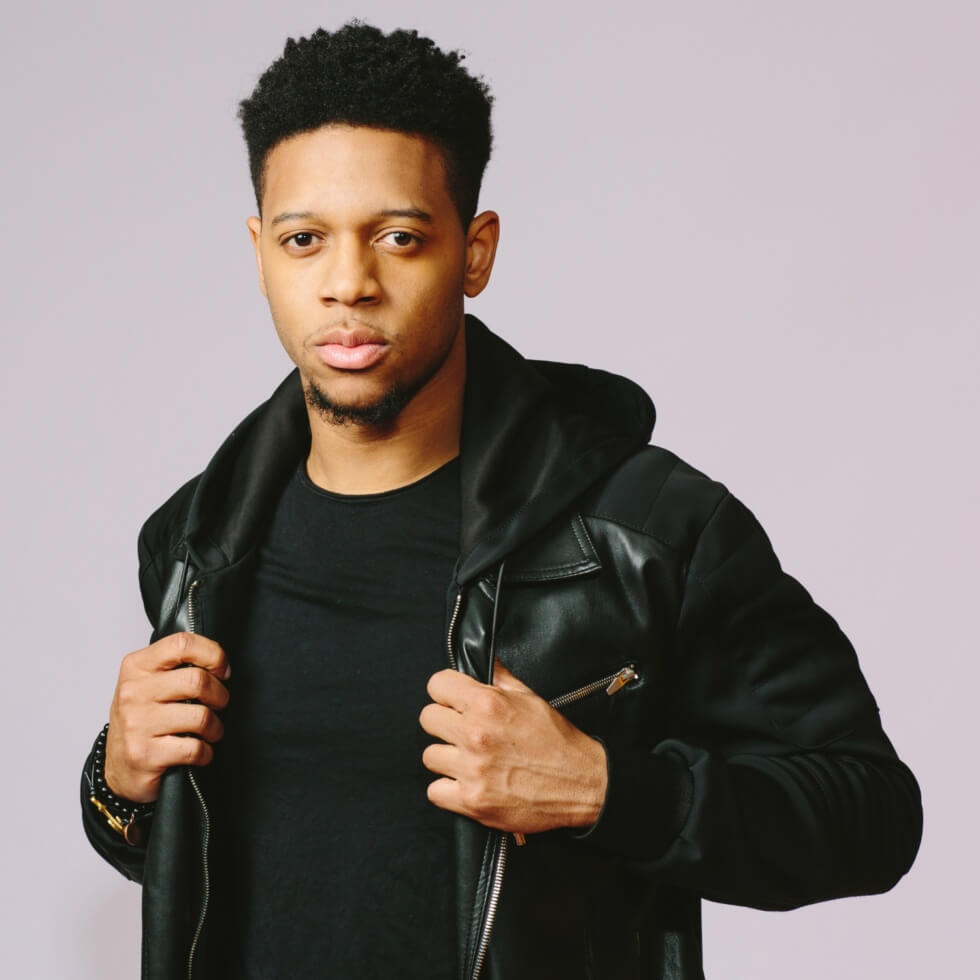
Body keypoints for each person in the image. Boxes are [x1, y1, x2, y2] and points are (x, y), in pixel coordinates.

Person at [80, 21, 922, 980]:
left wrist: (607, 793)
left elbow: (873, 814)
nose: (349, 284)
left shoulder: (647, 531)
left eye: (399, 238)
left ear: (474, 253)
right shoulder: (195, 543)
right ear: (260, 251)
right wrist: (118, 781)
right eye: (304, 240)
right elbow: (224, 865)